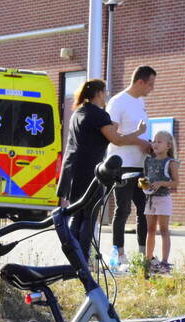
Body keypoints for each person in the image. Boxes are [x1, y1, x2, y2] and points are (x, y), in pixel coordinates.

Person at [58, 79, 146, 256]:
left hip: (72, 171)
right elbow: (117, 140)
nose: (106, 96)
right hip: (91, 172)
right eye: (104, 92)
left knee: (77, 215)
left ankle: (74, 257)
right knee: (89, 217)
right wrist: (138, 133)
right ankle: (83, 259)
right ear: (98, 93)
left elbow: (112, 135)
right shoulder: (99, 115)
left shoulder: (78, 113)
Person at [106, 65, 155, 265]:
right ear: (140, 81)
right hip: (123, 166)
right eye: (150, 84)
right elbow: (113, 137)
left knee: (145, 210)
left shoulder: (141, 102)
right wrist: (138, 141)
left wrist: (150, 145)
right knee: (123, 209)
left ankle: (143, 255)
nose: (152, 88)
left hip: (141, 167)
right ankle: (119, 254)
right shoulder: (118, 102)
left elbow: (141, 135)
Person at [142, 130, 179, 273]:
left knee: (163, 230)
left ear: (168, 145)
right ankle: (148, 260)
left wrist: (161, 183)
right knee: (150, 230)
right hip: (150, 199)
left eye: (159, 142)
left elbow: (176, 183)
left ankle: (164, 262)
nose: (155, 144)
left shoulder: (171, 163)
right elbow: (147, 178)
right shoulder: (148, 160)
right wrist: (144, 184)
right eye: (154, 141)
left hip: (163, 199)